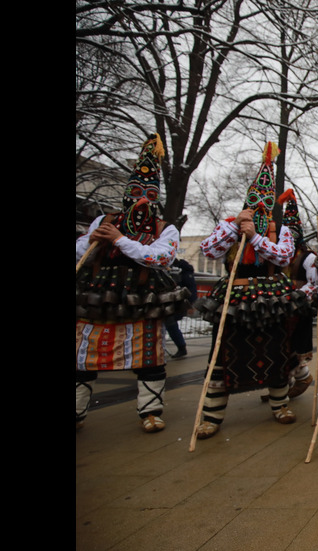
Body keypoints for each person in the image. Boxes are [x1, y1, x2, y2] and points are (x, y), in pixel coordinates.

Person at [76, 134, 189, 432]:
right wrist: (92, 238)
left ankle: (150, 411)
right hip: (100, 294)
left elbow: (160, 258)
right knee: (82, 355)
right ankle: (76, 410)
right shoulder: (105, 219)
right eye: (137, 191)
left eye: (150, 194)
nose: (142, 198)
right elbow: (80, 254)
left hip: (143, 296)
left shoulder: (165, 229)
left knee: (149, 355)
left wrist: (120, 240)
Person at [195, 142, 307, 439]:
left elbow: (283, 256)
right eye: (254, 200)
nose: (259, 206)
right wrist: (235, 229)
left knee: (274, 349)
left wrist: (256, 238)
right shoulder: (228, 225)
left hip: (270, 298)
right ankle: (212, 415)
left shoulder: (279, 229)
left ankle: (280, 404)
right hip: (235, 296)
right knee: (222, 353)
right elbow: (208, 250)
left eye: (264, 202)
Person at [278, 188, 318, 399]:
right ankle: (282, 383)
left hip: (298, 307)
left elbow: (315, 282)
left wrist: (297, 296)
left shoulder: (307, 257)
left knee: (292, 347)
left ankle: (300, 377)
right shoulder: (278, 255)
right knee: (279, 345)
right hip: (279, 307)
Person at [165, 258, 196, 359]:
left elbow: (191, 289)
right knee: (170, 325)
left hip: (176, 303)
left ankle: (181, 347)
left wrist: (190, 304)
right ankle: (180, 347)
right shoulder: (181, 270)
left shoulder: (183, 271)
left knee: (171, 324)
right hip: (171, 302)